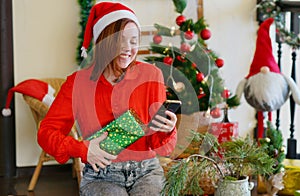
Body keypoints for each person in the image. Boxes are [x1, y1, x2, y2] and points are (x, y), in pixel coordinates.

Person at [37, 2, 178, 196]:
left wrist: (167, 130)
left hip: (147, 172)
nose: (128, 48)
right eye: (120, 40)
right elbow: (46, 133)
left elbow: (158, 145)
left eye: (134, 41)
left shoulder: (151, 75)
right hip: (101, 175)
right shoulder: (77, 83)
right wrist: (82, 149)